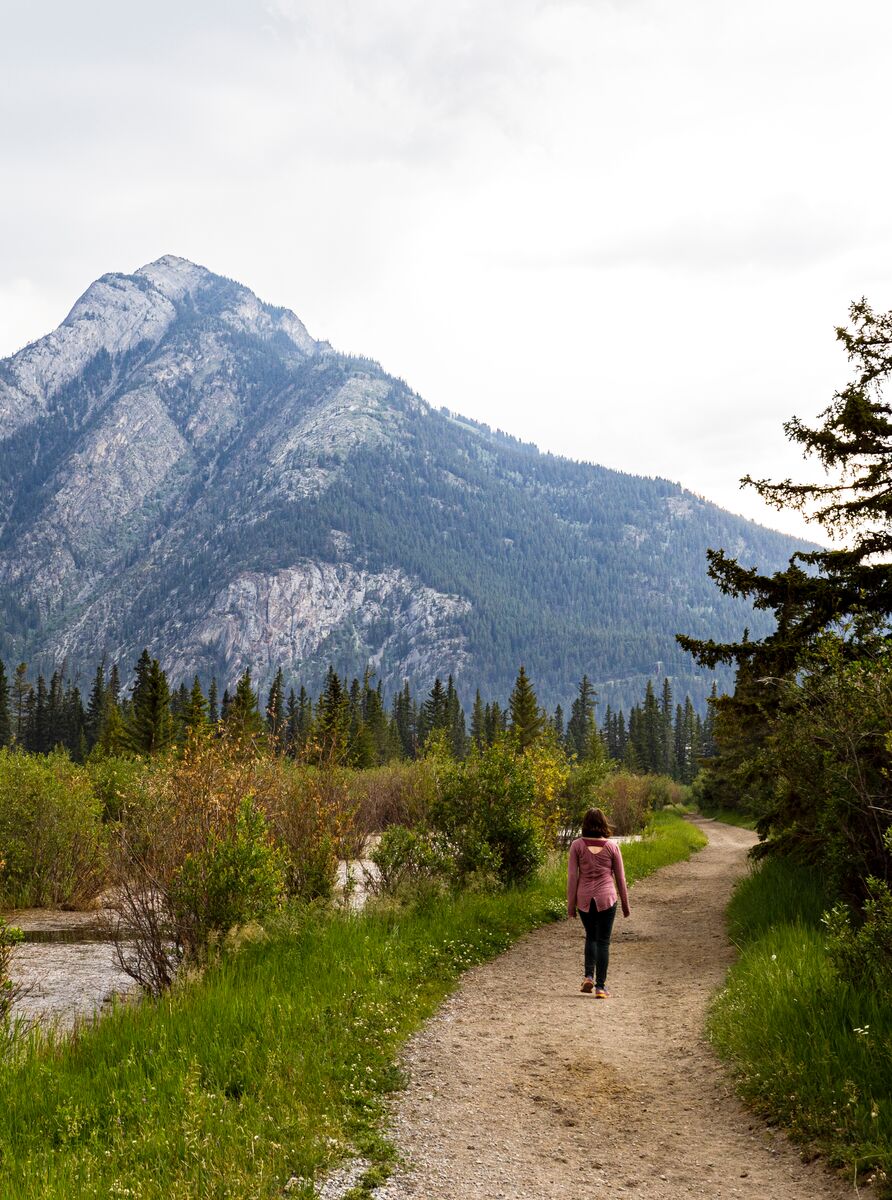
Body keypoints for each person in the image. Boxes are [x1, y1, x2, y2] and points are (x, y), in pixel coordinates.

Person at [567, 808, 630, 998]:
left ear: (585, 824)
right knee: (603, 941)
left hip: (584, 898)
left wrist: (571, 905)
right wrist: (626, 905)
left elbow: (572, 877)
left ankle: (588, 976)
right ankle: (601, 987)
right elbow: (620, 878)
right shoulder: (612, 846)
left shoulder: (576, 846)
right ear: (604, 823)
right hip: (607, 898)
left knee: (590, 937)